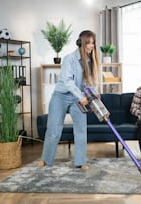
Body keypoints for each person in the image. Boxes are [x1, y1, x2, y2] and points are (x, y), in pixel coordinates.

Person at [37, 30, 100, 170]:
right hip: (60, 96)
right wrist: (82, 97)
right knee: (54, 130)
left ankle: (80, 161)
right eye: (88, 42)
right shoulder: (69, 59)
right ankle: (45, 159)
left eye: (93, 43)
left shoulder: (89, 61)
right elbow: (68, 82)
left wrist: (95, 92)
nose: (91, 46)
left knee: (81, 130)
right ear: (80, 43)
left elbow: (86, 83)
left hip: (76, 98)